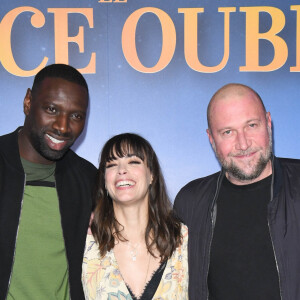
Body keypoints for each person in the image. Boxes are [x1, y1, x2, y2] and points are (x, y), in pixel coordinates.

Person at [174, 83, 300, 300]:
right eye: (228, 132)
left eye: (251, 125)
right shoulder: (190, 201)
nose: (243, 144)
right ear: (211, 139)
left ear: (268, 123)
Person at [0, 64, 97, 300]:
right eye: (52, 109)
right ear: (27, 102)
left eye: (76, 116)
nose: (62, 127)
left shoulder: (89, 179)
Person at [82, 133, 188, 300]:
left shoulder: (184, 240)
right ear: (104, 179)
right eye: (111, 165)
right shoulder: (86, 243)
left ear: (151, 174)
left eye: (133, 162)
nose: (122, 170)